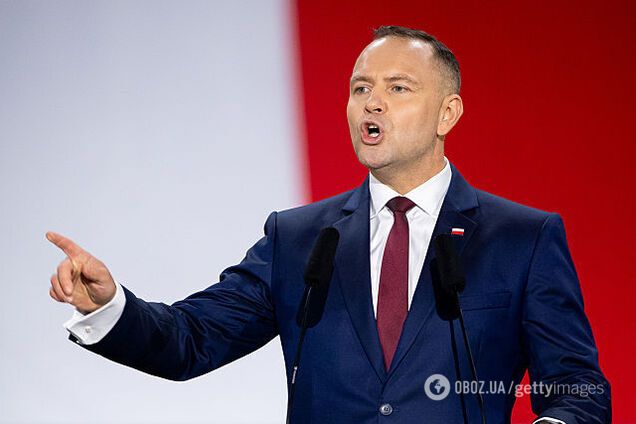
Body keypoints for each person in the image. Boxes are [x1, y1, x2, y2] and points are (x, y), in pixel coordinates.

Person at [47, 26, 610, 423]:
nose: (372, 103)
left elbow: (578, 389)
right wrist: (108, 306)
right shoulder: (298, 239)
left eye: (397, 88)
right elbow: (190, 341)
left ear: (448, 113)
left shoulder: (521, 238)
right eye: (361, 88)